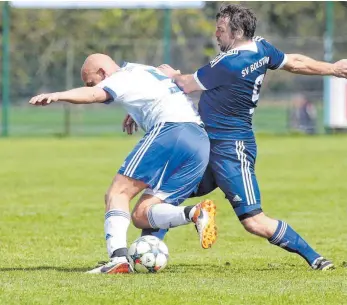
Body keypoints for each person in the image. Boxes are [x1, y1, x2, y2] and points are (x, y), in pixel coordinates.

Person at [153, 4, 347, 271]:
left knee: (254, 221)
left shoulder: (229, 62)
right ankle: (142, 253)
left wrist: (169, 74)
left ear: (237, 32)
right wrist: (333, 68)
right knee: (163, 196)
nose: (216, 35)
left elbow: (185, 83)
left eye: (220, 30)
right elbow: (295, 62)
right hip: (208, 146)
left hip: (233, 150)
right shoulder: (261, 48)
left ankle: (316, 258)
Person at [29, 53, 217, 274]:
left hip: (172, 131)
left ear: (102, 73)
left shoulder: (121, 77)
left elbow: (93, 94)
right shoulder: (143, 70)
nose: (92, 85)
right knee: (142, 214)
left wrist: (57, 95)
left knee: (117, 193)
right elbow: (157, 91)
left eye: (92, 80)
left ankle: (118, 258)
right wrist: (136, 112)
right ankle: (194, 213)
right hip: (199, 142)